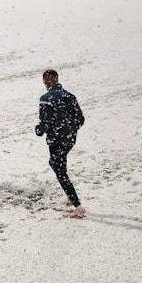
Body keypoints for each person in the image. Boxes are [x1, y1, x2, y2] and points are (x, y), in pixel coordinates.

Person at [34, 69, 86, 218]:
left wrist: (39, 130)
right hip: (70, 139)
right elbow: (80, 119)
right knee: (58, 164)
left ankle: (78, 207)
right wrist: (70, 130)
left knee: (59, 169)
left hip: (56, 141)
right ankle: (70, 195)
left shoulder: (46, 99)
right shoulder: (70, 96)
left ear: (46, 82)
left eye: (45, 81)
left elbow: (44, 124)